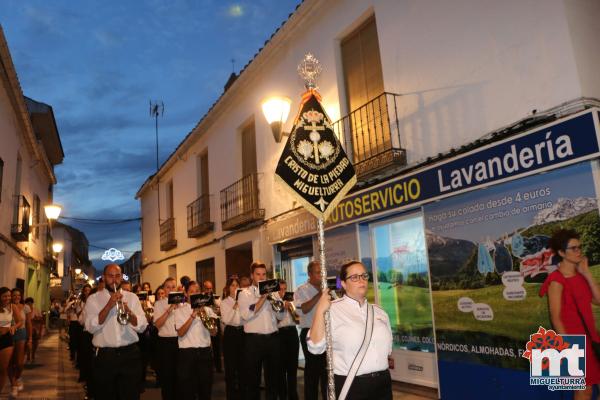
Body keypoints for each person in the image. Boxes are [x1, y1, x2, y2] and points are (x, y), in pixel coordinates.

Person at [308, 261, 393, 400]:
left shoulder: (380, 312)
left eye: (364, 276)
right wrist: (319, 311)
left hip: (382, 383)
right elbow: (315, 347)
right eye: (354, 277)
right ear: (343, 283)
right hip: (351, 385)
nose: (361, 280)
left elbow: (388, 350)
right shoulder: (332, 310)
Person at [540, 229, 600, 400]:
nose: (578, 251)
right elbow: (555, 317)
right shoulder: (556, 280)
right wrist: (567, 350)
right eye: (573, 248)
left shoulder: (580, 276)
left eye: (579, 247)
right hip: (573, 342)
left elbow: (598, 300)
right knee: (584, 390)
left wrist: (587, 273)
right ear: (561, 252)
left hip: (591, 337)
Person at [84, 264, 147, 400]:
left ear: (122, 277)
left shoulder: (132, 298)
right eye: (110, 276)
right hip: (105, 357)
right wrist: (108, 306)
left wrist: (129, 313)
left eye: (117, 276)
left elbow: (142, 326)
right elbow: (90, 327)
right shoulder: (93, 299)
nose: (114, 279)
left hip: (130, 355)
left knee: (131, 395)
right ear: (104, 277)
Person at [238, 261, 284, 400]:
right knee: (253, 380)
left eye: (264, 274)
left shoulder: (274, 292)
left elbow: (280, 315)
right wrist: (263, 298)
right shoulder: (244, 294)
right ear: (252, 275)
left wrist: (276, 301)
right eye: (258, 274)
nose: (262, 277)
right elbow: (246, 314)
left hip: (273, 339)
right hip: (254, 341)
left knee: (273, 380)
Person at [175, 280, 218, 399]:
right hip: (187, 355)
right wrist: (193, 315)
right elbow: (180, 332)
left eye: (197, 291)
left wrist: (209, 323)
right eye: (191, 292)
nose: (194, 294)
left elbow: (214, 333)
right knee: (188, 392)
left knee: (205, 390)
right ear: (186, 294)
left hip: (204, 353)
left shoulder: (207, 310)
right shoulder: (179, 311)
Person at [294, 261, 327, 400]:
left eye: (322, 272)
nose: (321, 275)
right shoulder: (301, 290)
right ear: (309, 274)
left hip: (326, 333)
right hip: (309, 332)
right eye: (318, 272)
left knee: (327, 371)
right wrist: (320, 294)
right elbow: (304, 309)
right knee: (313, 371)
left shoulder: (327, 288)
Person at [153, 277, 180, 400]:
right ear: (164, 289)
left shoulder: (183, 303)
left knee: (180, 377)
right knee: (167, 378)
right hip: (165, 344)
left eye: (173, 287)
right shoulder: (159, 304)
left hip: (180, 342)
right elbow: (157, 324)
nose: (171, 289)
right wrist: (169, 309)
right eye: (168, 287)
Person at [220, 277, 244, 400]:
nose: (235, 288)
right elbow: (226, 319)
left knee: (242, 368)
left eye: (237, 285)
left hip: (242, 333)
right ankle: (231, 396)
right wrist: (235, 305)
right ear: (228, 288)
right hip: (231, 334)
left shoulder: (244, 300)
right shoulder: (224, 302)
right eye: (233, 285)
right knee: (231, 368)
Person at [277, 280, 299, 400]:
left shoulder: (291, 301)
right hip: (279, 334)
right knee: (280, 368)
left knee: (292, 367)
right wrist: (283, 308)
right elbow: (273, 322)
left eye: (285, 289)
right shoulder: (274, 303)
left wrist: (292, 309)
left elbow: (297, 320)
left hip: (292, 333)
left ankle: (293, 394)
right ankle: (282, 395)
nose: (283, 292)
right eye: (280, 289)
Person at [0, 287, 21, 395]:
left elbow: (19, 321)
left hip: (6, 339)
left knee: (3, 368)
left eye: (9, 296)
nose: (7, 298)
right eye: (5, 296)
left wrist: (13, 327)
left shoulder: (13, 307)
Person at [8, 288, 28, 397]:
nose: (16, 297)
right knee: (10, 362)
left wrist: (29, 339)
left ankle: (18, 377)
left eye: (18, 295)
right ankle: (13, 385)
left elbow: (28, 323)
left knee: (19, 363)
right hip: (8, 334)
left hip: (21, 333)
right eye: (14, 295)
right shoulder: (7, 307)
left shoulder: (25, 307)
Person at [203, 279, 223, 373]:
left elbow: (220, 311)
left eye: (210, 288)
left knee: (216, 345)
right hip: (205, 320)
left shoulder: (216, 297)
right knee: (207, 345)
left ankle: (218, 367)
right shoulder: (201, 297)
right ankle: (209, 368)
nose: (209, 290)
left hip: (215, 320)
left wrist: (214, 304)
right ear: (204, 288)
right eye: (207, 288)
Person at [24, 298, 42, 364]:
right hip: (27, 329)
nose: (29, 304)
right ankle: (28, 356)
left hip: (35, 329)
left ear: (32, 303)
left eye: (30, 303)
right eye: (27, 303)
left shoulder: (36, 310)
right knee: (27, 342)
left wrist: (40, 331)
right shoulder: (24, 310)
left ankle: (33, 354)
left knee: (35, 343)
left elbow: (40, 320)